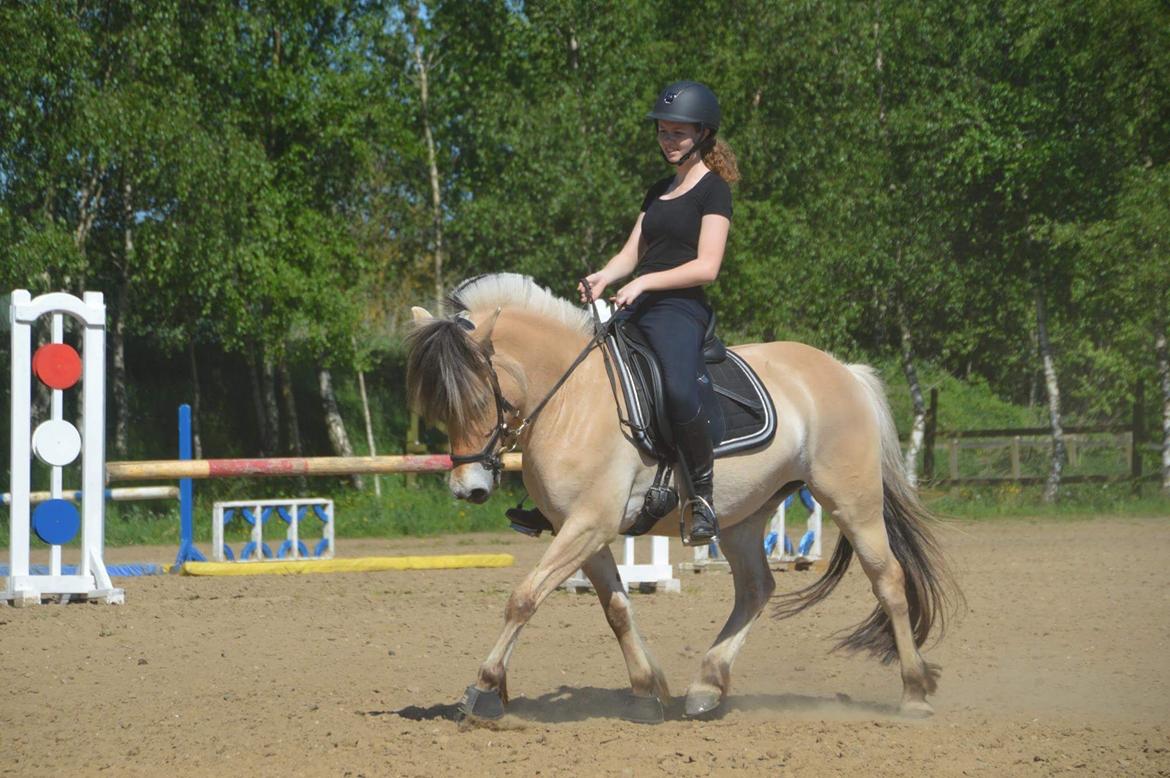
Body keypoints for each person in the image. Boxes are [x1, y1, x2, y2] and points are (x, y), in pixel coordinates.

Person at [578, 80, 738, 544]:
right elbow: (631, 254)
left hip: (680, 308)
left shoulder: (714, 192)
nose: (668, 141)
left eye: (678, 133)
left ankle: (702, 498)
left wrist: (645, 281)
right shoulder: (657, 191)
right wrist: (605, 276)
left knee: (676, 388)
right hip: (636, 301)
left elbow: (707, 267)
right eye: (663, 132)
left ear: (704, 135)